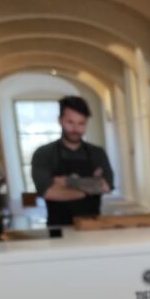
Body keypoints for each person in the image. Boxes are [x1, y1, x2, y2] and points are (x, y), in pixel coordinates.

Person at [31, 96, 114, 226]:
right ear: (60, 121)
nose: (76, 129)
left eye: (81, 123)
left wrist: (64, 182)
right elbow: (47, 192)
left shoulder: (97, 152)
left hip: (92, 225)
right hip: (58, 227)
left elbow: (106, 186)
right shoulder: (44, 153)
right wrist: (89, 188)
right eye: (70, 122)